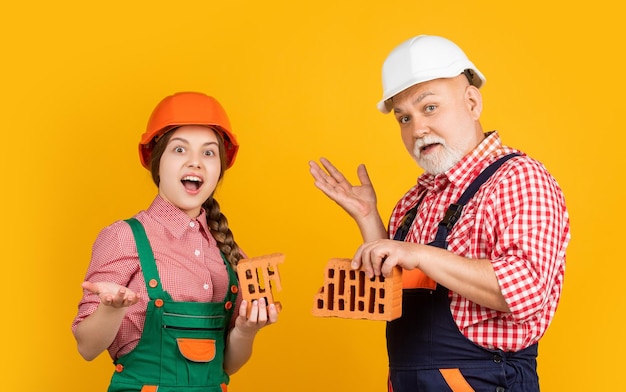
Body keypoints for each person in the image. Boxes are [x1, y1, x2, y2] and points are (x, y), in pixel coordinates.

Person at [309, 35, 570, 391]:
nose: (417, 129)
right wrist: (369, 219)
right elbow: (393, 290)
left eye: (429, 107)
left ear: (472, 102)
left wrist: (417, 252)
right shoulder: (413, 201)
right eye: (404, 118)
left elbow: (523, 292)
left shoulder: (518, 178)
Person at [72, 91, 279, 392]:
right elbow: (86, 348)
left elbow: (226, 365)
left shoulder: (227, 253)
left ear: (220, 168)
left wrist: (246, 331)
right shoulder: (124, 237)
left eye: (208, 153)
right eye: (180, 150)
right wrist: (111, 308)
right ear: (157, 162)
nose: (195, 163)